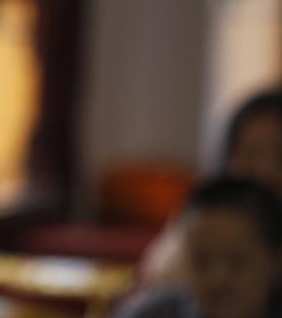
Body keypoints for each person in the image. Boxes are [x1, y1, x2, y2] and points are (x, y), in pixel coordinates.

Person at [140, 89, 282, 284]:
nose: (265, 171)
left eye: (279, 156)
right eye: (250, 155)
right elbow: (162, 275)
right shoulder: (204, 221)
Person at [115, 176, 282, 318]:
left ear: (275, 259)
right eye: (202, 261)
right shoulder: (154, 312)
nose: (218, 277)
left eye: (236, 262)